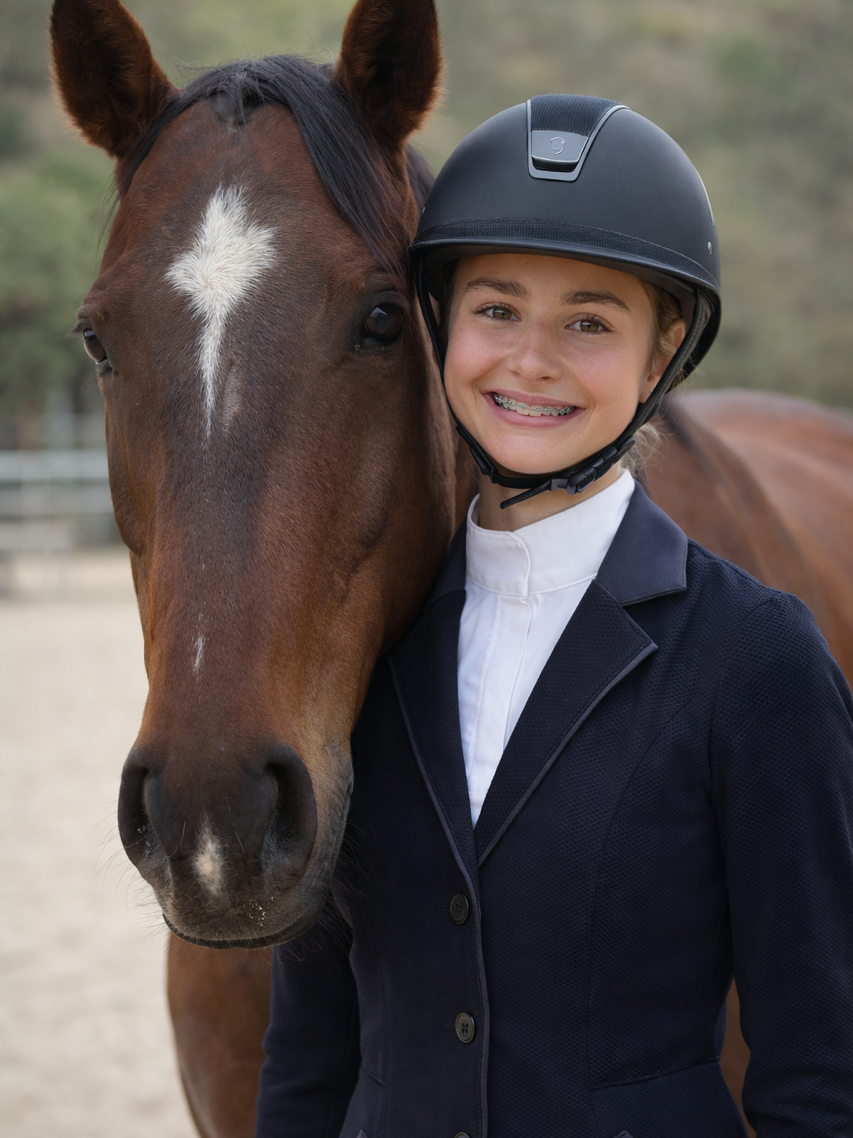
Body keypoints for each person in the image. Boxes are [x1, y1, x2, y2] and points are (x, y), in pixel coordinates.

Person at [255, 96, 853, 1138]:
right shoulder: (361, 648)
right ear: (442, 325)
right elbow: (310, 1050)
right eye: (495, 310)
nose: (530, 361)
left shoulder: (757, 660)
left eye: (588, 320)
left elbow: (821, 1067)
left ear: (660, 353)